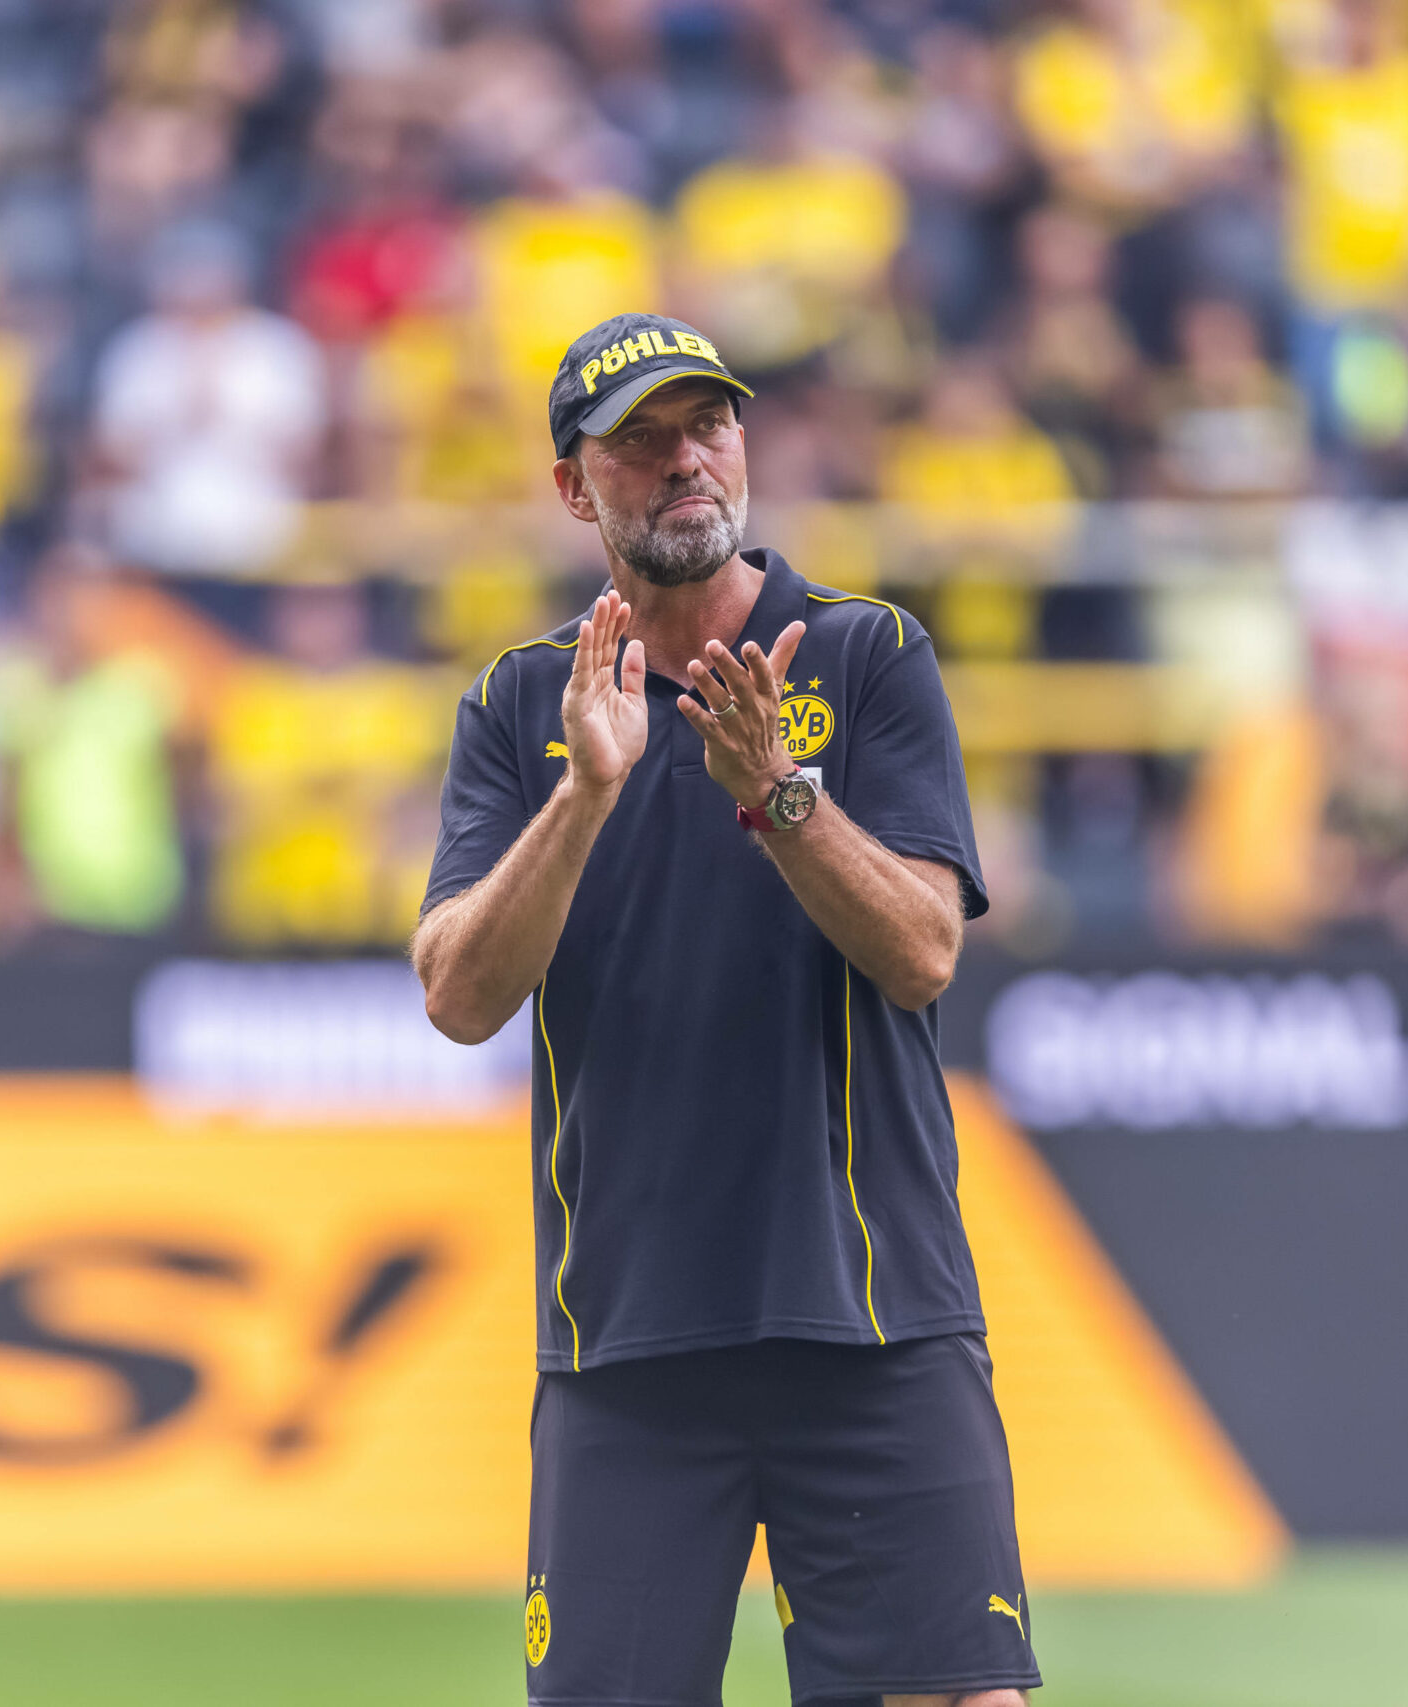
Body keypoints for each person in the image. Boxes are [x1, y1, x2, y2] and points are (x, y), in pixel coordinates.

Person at [413, 312, 1036, 1707]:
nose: (687, 459)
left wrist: (780, 795)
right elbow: (459, 995)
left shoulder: (868, 655)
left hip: (871, 1322)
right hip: (631, 1342)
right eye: (642, 438)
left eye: (709, 425)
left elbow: (925, 952)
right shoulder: (523, 707)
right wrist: (587, 790)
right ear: (578, 487)